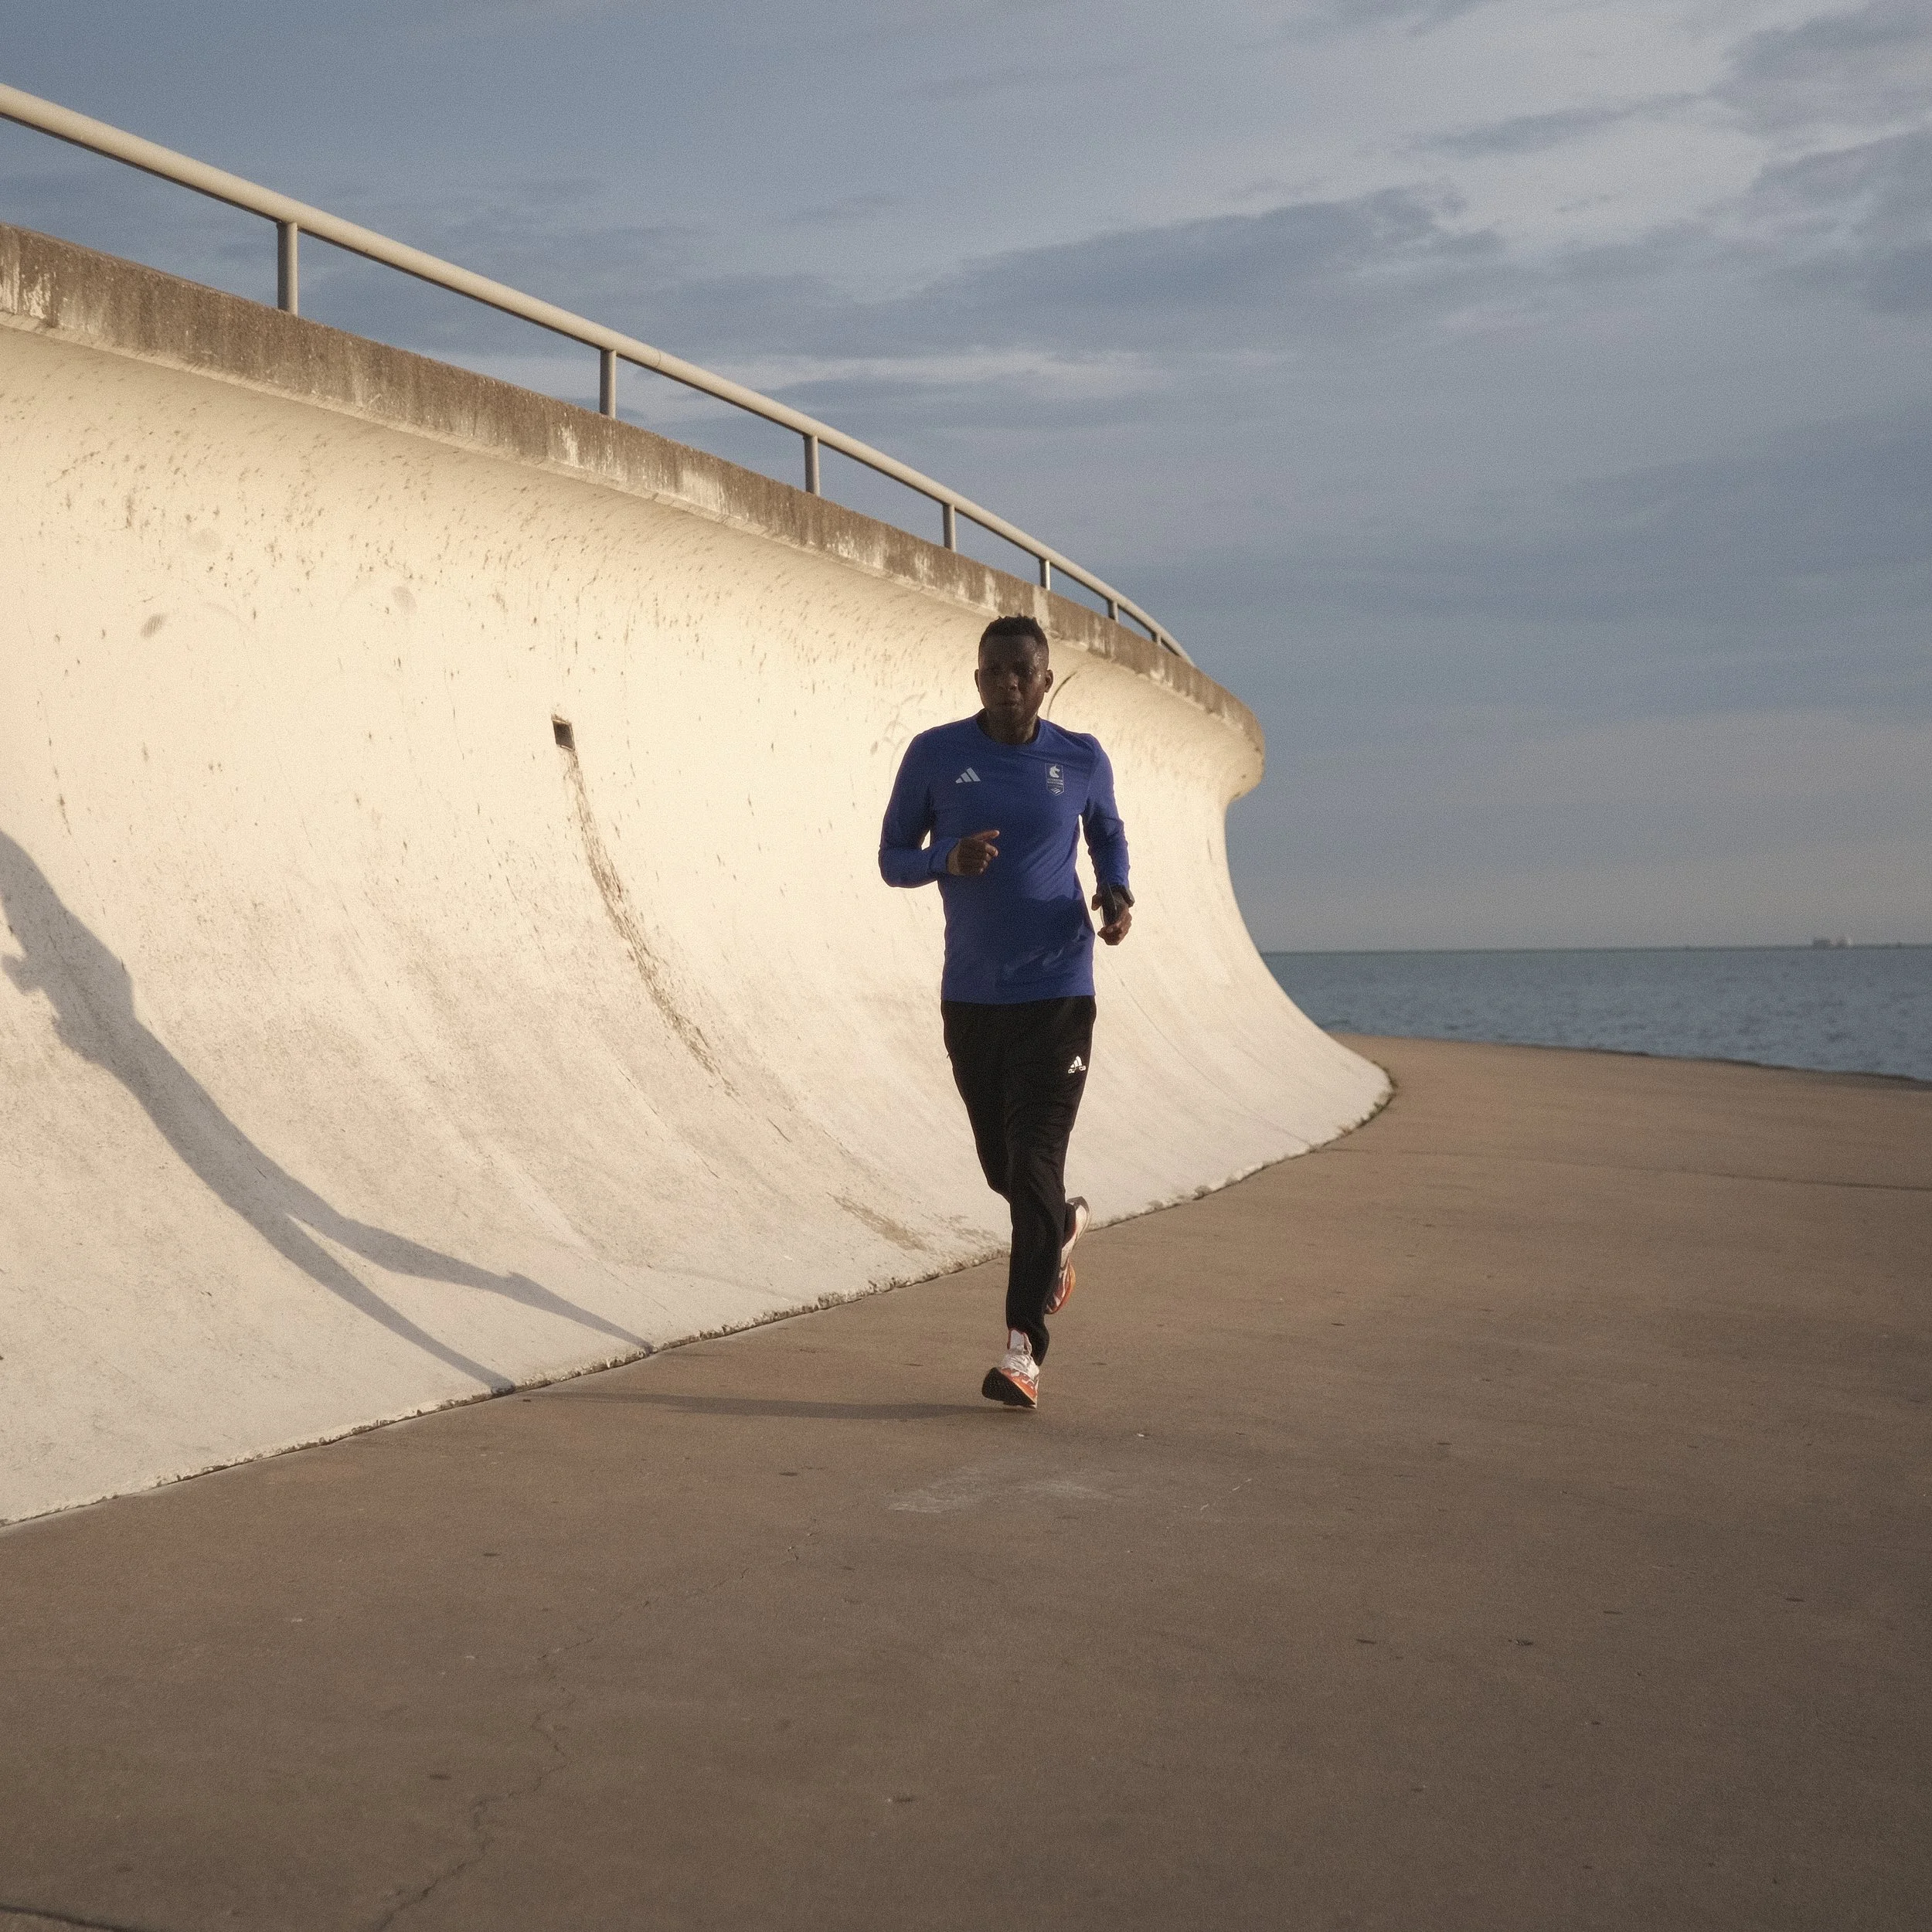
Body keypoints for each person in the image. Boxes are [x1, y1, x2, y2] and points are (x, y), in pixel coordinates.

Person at [877, 614, 1133, 1409]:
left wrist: (1115, 892)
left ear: (1045, 680)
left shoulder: (1080, 757)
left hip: (1058, 991)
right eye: (995, 671)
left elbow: (1108, 837)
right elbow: (891, 856)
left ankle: (1023, 1348)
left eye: (1023, 671)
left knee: (1031, 1163)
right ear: (977, 677)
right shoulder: (936, 754)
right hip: (972, 997)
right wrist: (942, 861)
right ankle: (1056, 1226)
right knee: (1004, 1168)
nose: (1009, 683)